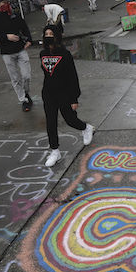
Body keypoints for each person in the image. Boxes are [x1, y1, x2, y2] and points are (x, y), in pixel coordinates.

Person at [40, 26, 95, 167]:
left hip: (63, 92)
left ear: (57, 36)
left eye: (51, 34)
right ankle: (54, 151)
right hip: (48, 93)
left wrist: (74, 98)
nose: (48, 36)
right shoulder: (42, 54)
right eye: (46, 34)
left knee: (70, 120)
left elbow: (72, 77)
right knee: (50, 122)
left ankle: (85, 128)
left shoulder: (65, 54)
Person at [0, 0, 34, 112]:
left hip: (20, 49)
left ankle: (26, 93)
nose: (6, 5)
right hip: (7, 53)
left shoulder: (15, 15)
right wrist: (5, 37)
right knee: (15, 78)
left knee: (26, 76)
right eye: (3, 3)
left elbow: (24, 27)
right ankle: (23, 100)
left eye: (7, 2)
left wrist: (29, 40)